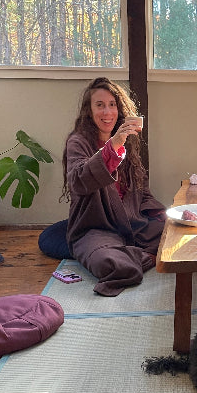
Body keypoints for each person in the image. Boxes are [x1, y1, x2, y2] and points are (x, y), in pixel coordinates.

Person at [62, 77, 166, 296]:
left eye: (112, 105)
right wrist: (113, 146)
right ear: (89, 111)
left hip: (133, 224)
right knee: (113, 265)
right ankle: (141, 257)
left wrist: (163, 216)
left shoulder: (127, 141)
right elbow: (78, 180)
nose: (107, 112)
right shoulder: (78, 142)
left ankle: (135, 253)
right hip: (96, 228)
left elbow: (142, 190)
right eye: (99, 105)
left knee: (177, 237)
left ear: (119, 109)